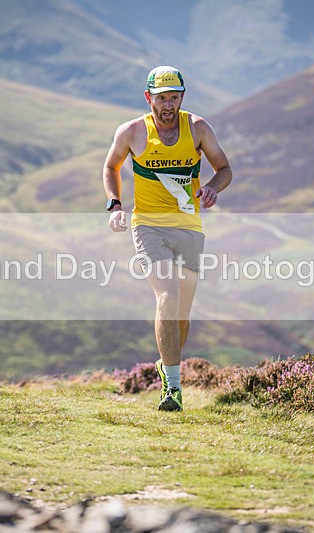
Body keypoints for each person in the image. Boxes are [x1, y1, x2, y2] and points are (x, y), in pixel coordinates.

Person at [102, 66, 233, 412]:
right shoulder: (132, 132)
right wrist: (115, 205)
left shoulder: (199, 128)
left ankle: (166, 363)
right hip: (147, 225)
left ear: (181, 98)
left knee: (182, 314)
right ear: (149, 98)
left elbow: (225, 169)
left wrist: (211, 188)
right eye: (161, 98)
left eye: (174, 97)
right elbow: (111, 166)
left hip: (189, 225)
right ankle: (172, 389)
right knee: (168, 295)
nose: (168, 105)